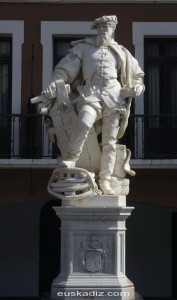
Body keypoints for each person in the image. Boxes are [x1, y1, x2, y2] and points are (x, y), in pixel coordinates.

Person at [43, 15, 145, 195]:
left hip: (114, 96)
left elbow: (138, 77)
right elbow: (64, 70)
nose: (105, 32)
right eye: (102, 28)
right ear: (97, 30)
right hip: (91, 93)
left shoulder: (121, 52)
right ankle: (71, 158)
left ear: (112, 31)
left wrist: (137, 88)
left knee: (109, 142)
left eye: (108, 29)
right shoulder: (83, 48)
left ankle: (104, 180)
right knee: (83, 123)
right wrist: (55, 82)